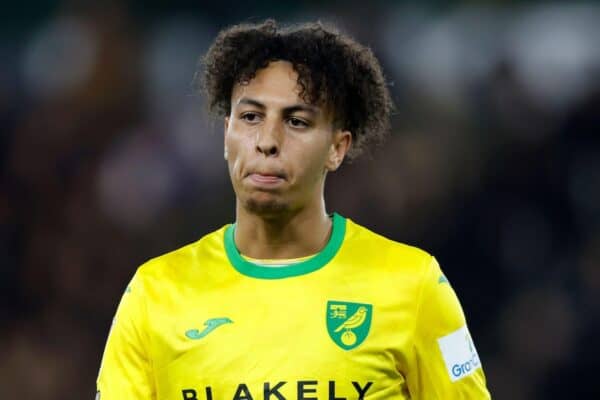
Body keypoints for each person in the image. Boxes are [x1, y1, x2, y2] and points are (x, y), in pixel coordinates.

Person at [96, 20, 491, 399]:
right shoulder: (155, 294)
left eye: (297, 121)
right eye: (251, 117)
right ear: (226, 134)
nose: (267, 141)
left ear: (337, 148)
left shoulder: (414, 285)